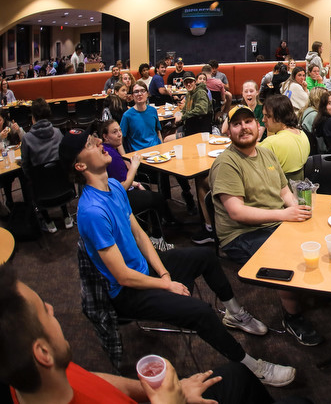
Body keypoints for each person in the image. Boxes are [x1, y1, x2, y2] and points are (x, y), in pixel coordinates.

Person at [58, 128, 296, 387]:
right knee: (202, 312)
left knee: (205, 256)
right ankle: (253, 367)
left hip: (145, 271)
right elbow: (122, 276)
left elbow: (139, 236)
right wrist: (166, 284)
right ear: (80, 165)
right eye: (91, 144)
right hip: (125, 293)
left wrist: (163, 272)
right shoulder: (91, 211)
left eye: (95, 139)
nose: (100, 143)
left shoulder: (114, 186)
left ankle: (235, 313)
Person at [0, 265, 278, 404]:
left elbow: (89, 378)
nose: (51, 307)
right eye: (43, 311)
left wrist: (173, 389)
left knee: (236, 375)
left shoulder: (35, 375)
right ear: (43, 353)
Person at [209, 105, 322, 347]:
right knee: (285, 257)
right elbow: (236, 213)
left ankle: (306, 289)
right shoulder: (226, 163)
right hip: (241, 234)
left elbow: (284, 191)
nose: (244, 127)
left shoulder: (266, 153)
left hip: (273, 221)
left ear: (258, 126)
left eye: (248, 121)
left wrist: (297, 212)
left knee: (316, 236)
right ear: (229, 132)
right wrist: (285, 216)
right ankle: (292, 317)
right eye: (236, 124)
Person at [122, 80, 196, 215]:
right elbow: (121, 139)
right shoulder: (127, 116)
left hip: (158, 151)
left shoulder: (152, 111)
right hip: (143, 157)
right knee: (162, 173)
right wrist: (126, 160)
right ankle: (165, 210)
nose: (139, 94)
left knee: (178, 165)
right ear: (132, 95)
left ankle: (188, 196)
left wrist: (163, 148)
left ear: (147, 94)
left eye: (142, 91)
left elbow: (157, 132)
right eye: (136, 92)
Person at [100, 119, 175, 252]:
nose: (119, 134)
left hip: (117, 192)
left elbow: (118, 180)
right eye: (114, 132)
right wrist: (134, 167)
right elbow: (121, 187)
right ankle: (158, 237)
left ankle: (147, 231)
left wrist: (136, 183)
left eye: (119, 130)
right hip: (118, 198)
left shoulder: (109, 150)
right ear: (105, 136)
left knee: (145, 188)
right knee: (157, 198)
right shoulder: (111, 156)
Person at [21, 98, 70, 233]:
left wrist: (32, 176)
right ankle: (66, 216)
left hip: (41, 188)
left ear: (33, 117)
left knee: (29, 178)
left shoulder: (27, 138)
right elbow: (64, 157)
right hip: (63, 185)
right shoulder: (58, 132)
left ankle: (48, 221)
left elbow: (25, 164)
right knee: (57, 170)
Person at [258, 94, 310, 181]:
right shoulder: (303, 135)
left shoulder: (270, 144)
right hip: (298, 191)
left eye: (267, 116)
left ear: (279, 116)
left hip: (275, 192)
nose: (263, 120)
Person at [0, 109, 23, 209]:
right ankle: (9, 202)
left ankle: (28, 201)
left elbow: (25, 139)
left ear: (4, 119)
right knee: (6, 178)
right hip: (2, 163)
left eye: (0, 120)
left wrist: (19, 130)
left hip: (13, 157)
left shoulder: (9, 126)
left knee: (23, 172)